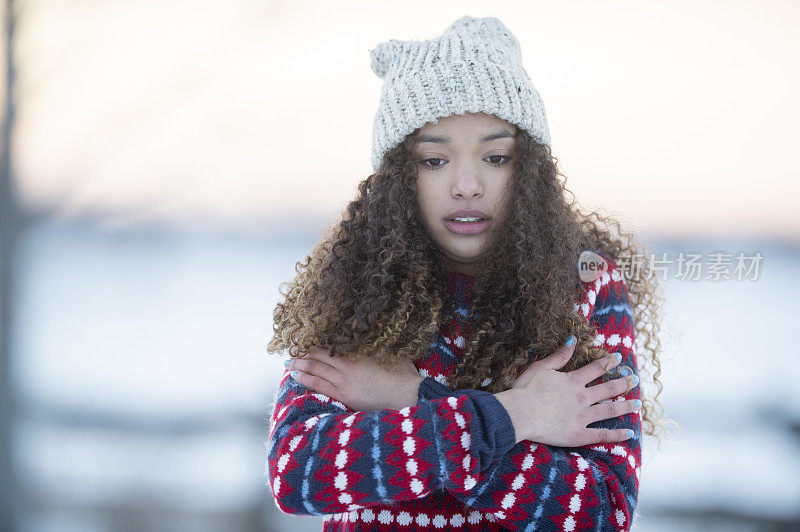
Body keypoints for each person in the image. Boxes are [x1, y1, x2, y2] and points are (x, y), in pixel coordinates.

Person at [266, 15, 668, 531]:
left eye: (496, 156)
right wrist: (513, 417)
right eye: (434, 160)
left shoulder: (586, 285)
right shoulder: (357, 289)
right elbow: (299, 474)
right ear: (398, 177)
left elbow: (601, 511)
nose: (467, 184)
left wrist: (413, 399)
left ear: (529, 170)